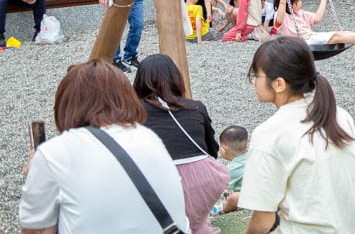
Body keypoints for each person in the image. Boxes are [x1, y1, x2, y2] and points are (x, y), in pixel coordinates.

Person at [19, 60, 188, 232]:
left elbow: (33, 230)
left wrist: (34, 175)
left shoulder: (55, 153)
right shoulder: (149, 137)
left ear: (65, 105)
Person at [240, 37, 355, 233]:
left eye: (256, 76)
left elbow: (263, 220)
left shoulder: (269, 133)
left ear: (279, 84)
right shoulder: (338, 115)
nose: (254, 82)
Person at [134, 54, 229, 234]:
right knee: (195, 222)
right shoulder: (196, 107)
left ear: (140, 81)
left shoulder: (134, 112)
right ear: (176, 78)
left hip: (160, 183)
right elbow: (212, 150)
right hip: (202, 180)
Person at [216, 125, 248, 214]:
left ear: (223, 149)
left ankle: (223, 209)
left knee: (233, 198)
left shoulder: (230, 170)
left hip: (248, 201)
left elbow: (217, 188)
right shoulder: (253, 157)